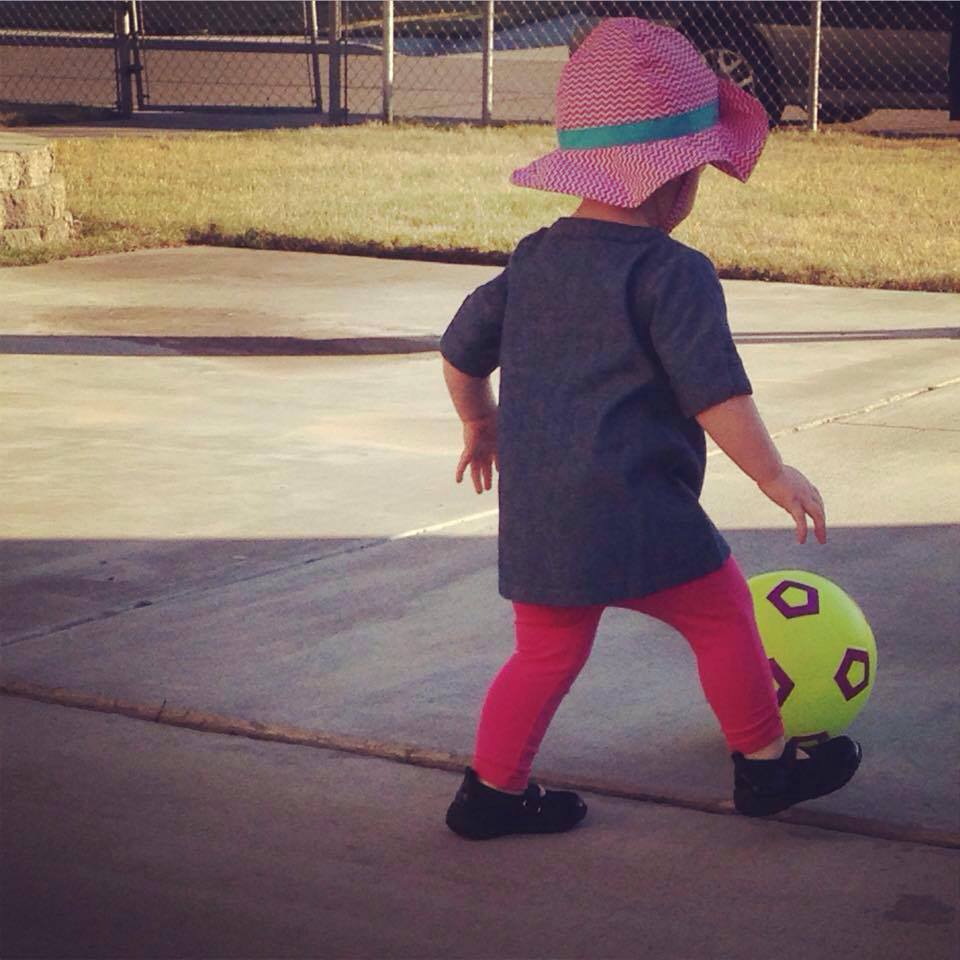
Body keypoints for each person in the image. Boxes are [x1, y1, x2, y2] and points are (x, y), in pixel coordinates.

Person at [439, 18, 862, 841]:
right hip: (639, 510)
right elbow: (717, 395)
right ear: (674, 177)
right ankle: (766, 765)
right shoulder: (674, 272)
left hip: (543, 516)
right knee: (724, 613)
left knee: (544, 657)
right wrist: (774, 475)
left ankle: (489, 793)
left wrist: (479, 421)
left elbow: (459, 351)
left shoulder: (533, 260)